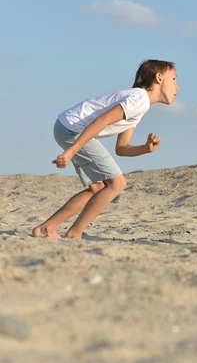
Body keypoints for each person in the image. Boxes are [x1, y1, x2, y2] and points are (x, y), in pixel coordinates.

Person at [32, 59, 179, 240]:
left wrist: (145, 149)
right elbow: (102, 121)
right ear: (158, 78)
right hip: (73, 130)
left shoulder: (140, 103)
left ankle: (46, 228)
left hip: (65, 127)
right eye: (174, 79)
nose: (177, 87)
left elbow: (122, 148)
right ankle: (74, 233)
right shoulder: (139, 99)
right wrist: (70, 152)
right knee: (117, 184)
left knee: (98, 188)